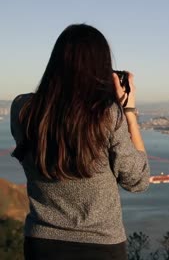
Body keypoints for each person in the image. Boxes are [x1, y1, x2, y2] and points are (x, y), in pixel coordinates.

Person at [10, 24, 150, 260]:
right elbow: (138, 180)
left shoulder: (22, 109)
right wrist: (129, 112)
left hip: (40, 244)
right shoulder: (107, 115)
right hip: (102, 248)